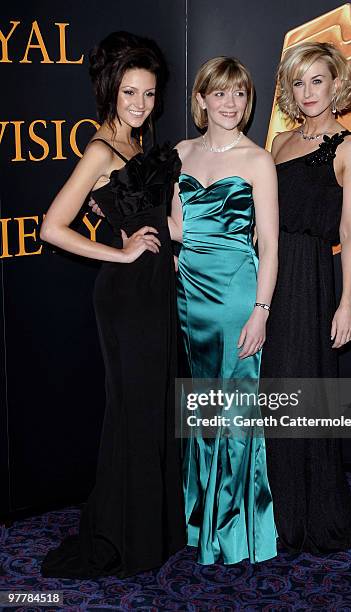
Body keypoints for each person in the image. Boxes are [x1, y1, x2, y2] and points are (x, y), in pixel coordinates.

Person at [40, 31, 185, 578]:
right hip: (126, 296)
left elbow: (154, 217)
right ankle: (123, 535)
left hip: (158, 288)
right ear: (110, 92)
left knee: (155, 409)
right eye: (130, 94)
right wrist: (118, 255)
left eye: (148, 95)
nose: (140, 105)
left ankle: (153, 529)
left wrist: (169, 241)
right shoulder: (101, 148)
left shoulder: (139, 146)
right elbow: (51, 226)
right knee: (133, 412)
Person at [168, 57, 279, 565]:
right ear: (202, 100)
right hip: (190, 294)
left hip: (238, 294)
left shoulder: (258, 160)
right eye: (220, 93)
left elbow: (271, 248)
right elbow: (175, 230)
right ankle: (199, 521)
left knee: (236, 412)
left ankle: (235, 531)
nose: (230, 104)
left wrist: (260, 310)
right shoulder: (179, 154)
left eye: (239, 94)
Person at [261, 42, 351, 552]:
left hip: (307, 277)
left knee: (299, 390)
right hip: (265, 272)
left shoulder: (350, 148)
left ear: (336, 83)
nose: (308, 92)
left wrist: (346, 301)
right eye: (299, 82)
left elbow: (350, 231)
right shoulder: (279, 144)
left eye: (317, 80)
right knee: (268, 391)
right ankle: (271, 510)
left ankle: (308, 512)